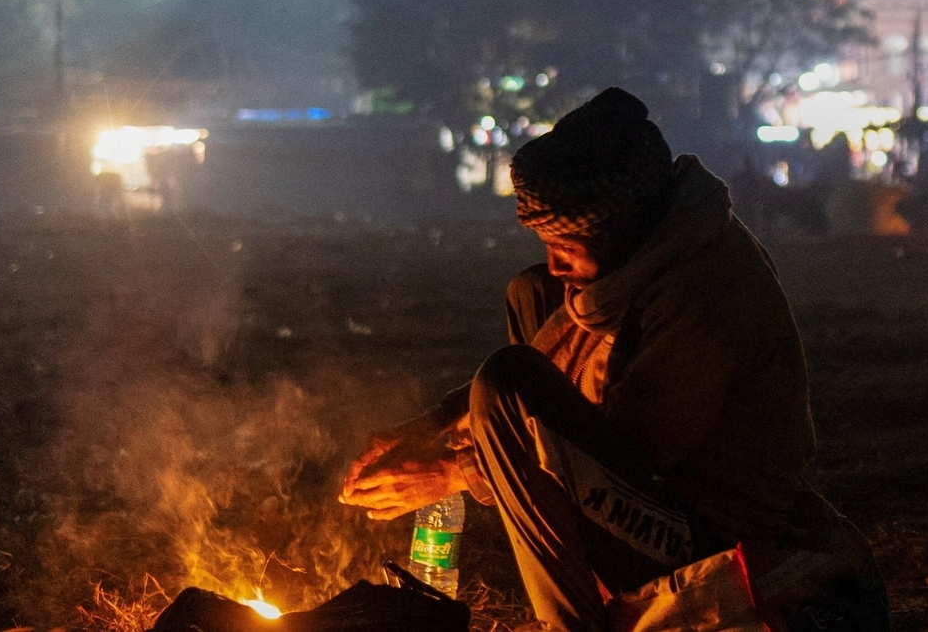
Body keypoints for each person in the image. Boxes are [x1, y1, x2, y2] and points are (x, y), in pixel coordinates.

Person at [340, 88, 888, 632]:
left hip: (717, 530)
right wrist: (431, 427)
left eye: (565, 246)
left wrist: (451, 473)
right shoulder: (643, 263)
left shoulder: (703, 290)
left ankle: (572, 626)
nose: (556, 264)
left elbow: (627, 455)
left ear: (623, 229)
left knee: (509, 380)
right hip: (653, 500)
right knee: (532, 294)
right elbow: (556, 378)